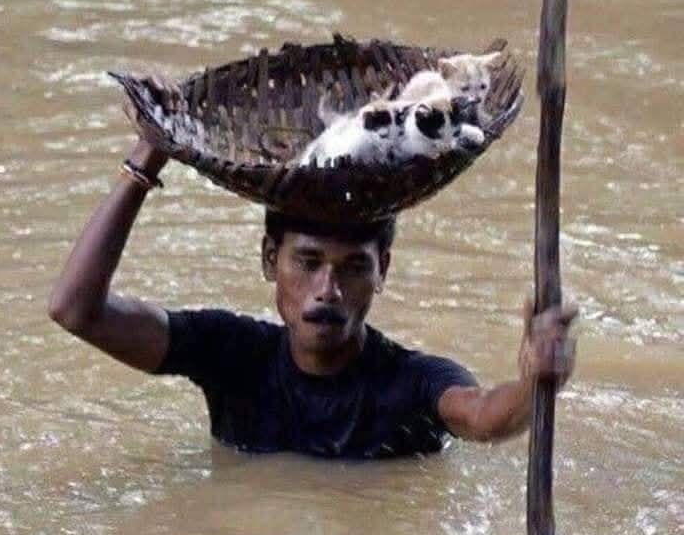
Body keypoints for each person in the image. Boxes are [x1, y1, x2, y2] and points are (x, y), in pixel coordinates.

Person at [48, 77, 577, 459]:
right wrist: (147, 157)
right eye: (308, 262)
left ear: (382, 271)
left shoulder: (414, 382)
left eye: (353, 268)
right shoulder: (231, 356)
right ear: (269, 259)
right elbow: (75, 310)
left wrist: (535, 382)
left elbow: (484, 417)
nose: (328, 289)